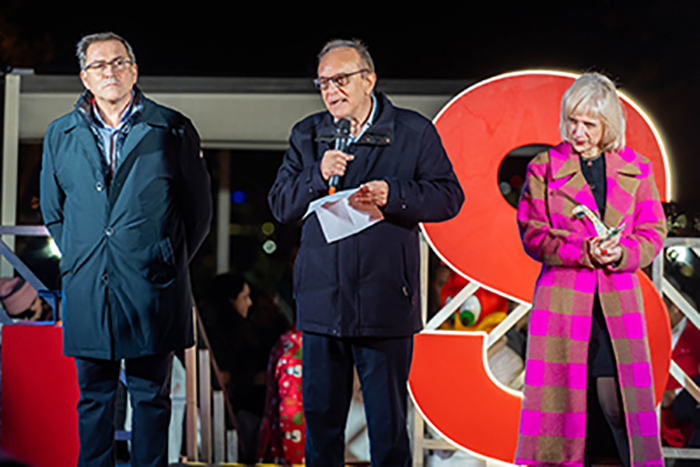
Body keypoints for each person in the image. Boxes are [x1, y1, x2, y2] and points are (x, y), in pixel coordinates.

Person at [268, 39, 463, 467]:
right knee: (321, 424)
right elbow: (281, 205)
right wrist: (317, 175)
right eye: (323, 83)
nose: (331, 90)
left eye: (341, 79)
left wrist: (396, 194)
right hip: (322, 301)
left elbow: (449, 198)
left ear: (369, 79)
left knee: (388, 426)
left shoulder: (413, 131)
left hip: (385, 300)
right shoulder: (308, 133)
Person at [40, 32, 211, 466]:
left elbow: (199, 213)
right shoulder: (60, 133)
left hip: (153, 288)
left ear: (134, 71)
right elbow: (54, 211)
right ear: (84, 77)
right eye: (99, 65)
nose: (110, 72)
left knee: (151, 399)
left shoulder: (172, 127)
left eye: (119, 62)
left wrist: (164, 260)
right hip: (89, 286)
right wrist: (85, 257)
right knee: (94, 400)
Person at [514, 72, 666, 466]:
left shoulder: (638, 168)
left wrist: (622, 252)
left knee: (620, 409)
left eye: (588, 124)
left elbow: (652, 232)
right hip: (564, 304)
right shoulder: (543, 167)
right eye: (572, 121)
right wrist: (583, 250)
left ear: (608, 125)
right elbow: (533, 234)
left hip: (616, 303)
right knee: (560, 414)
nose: (577, 131)